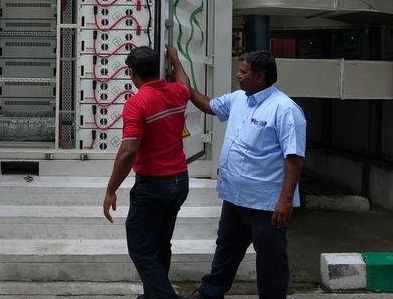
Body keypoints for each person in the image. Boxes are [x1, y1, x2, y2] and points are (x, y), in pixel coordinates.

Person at [171, 47, 306, 299]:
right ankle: (210, 294)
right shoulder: (238, 99)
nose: (238, 75)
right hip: (234, 197)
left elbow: (294, 158)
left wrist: (286, 200)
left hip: (266, 204)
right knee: (226, 250)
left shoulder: (284, 109)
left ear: (261, 77)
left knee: (271, 260)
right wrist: (179, 73)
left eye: (243, 72)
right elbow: (207, 105)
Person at [103, 46, 191, 299]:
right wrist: (175, 60)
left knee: (141, 250)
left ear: (131, 73)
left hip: (154, 185)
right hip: (180, 182)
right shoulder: (177, 92)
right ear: (161, 70)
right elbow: (183, 82)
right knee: (161, 244)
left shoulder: (137, 103)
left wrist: (111, 189)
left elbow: (129, 151)